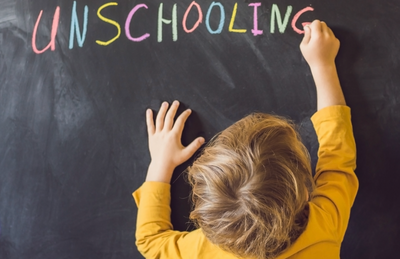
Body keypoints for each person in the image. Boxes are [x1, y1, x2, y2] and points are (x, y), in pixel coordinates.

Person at [133, 20, 359, 259]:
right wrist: (323, 65)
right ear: (304, 192)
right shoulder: (322, 228)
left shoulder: (204, 251)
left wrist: (160, 163)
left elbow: (150, 242)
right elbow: (337, 158)